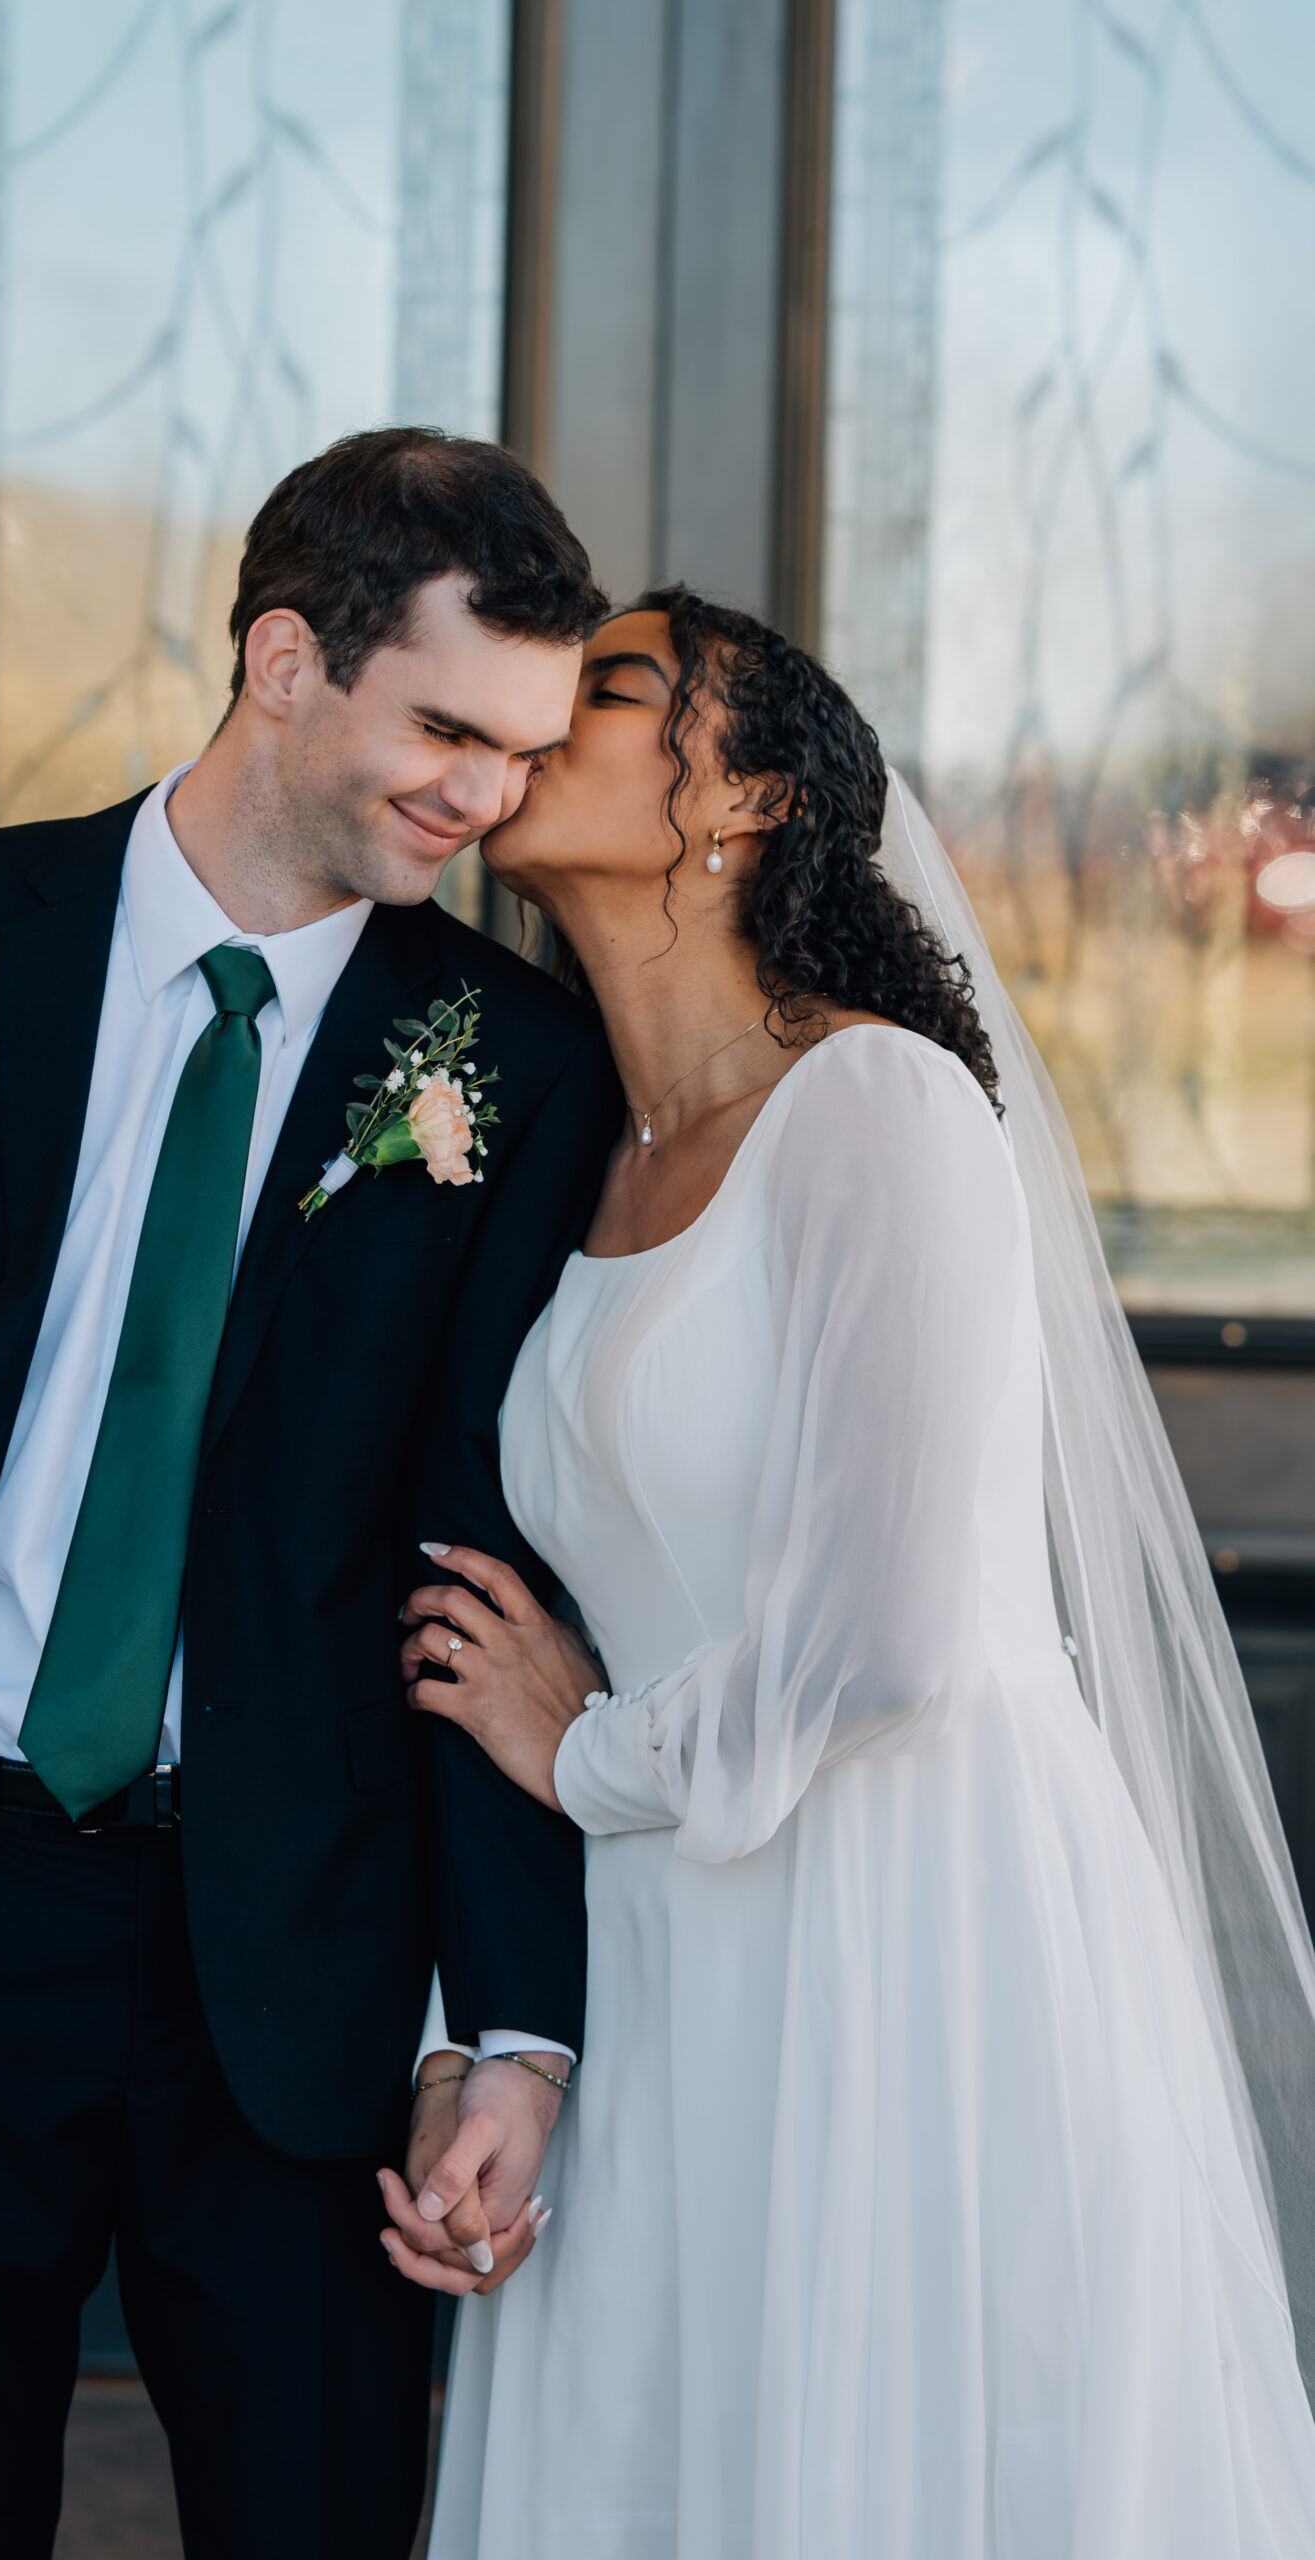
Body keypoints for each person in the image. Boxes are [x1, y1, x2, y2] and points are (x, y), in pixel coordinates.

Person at [0, 426, 624, 2560]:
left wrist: (506, 2028)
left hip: (301, 1960)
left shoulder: (511, 1057)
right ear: (282, 660)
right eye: (447, 731)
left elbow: (482, 1563)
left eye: (524, 750)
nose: (488, 799)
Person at [383, 590, 1315, 2556]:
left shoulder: (878, 1110)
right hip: (659, 1942)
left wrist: (584, 1748)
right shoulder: (573, 1149)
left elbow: (892, 1634)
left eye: (611, 689)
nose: (541, 717)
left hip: (897, 1921)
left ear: (750, 797)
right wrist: (488, 2019)